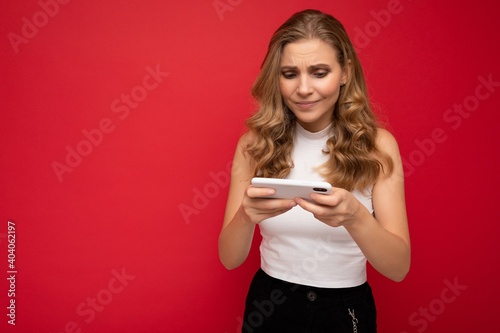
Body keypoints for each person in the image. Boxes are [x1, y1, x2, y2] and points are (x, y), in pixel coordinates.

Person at [218, 9, 410, 333]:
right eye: (290, 74)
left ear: (345, 72)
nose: (303, 89)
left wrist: (356, 217)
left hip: (345, 308)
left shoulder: (378, 145)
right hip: (269, 304)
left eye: (319, 72)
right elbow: (229, 258)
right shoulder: (254, 145)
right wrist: (246, 216)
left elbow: (398, 267)